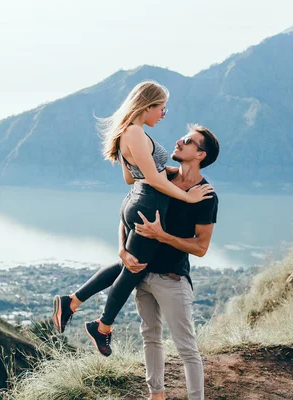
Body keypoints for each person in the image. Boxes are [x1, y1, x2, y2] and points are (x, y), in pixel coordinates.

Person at [55, 124, 219, 400]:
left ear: (200, 154)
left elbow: (201, 247)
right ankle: (156, 395)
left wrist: (161, 235)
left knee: (186, 348)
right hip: (140, 273)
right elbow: (128, 212)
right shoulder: (159, 178)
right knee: (150, 338)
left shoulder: (205, 195)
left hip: (172, 278)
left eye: (189, 141)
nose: (179, 140)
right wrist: (121, 249)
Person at [52, 81, 213, 356]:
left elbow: (132, 176)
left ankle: (72, 302)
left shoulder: (128, 134)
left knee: (128, 264)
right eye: (162, 108)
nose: (163, 114)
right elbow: (151, 177)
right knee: (134, 270)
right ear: (147, 106)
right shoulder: (136, 133)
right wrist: (188, 197)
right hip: (148, 205)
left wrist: (170, 172)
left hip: (136, 200)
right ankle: (101, 327)